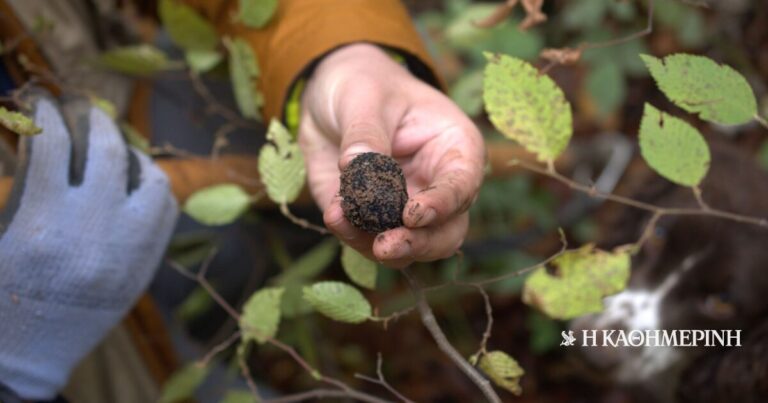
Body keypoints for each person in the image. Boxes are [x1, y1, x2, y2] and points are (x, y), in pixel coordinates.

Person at [0, 0, 485, 400]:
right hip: (90, 372)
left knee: (257, 247)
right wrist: (15, 370)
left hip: (144, 113)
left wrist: (335, 52)